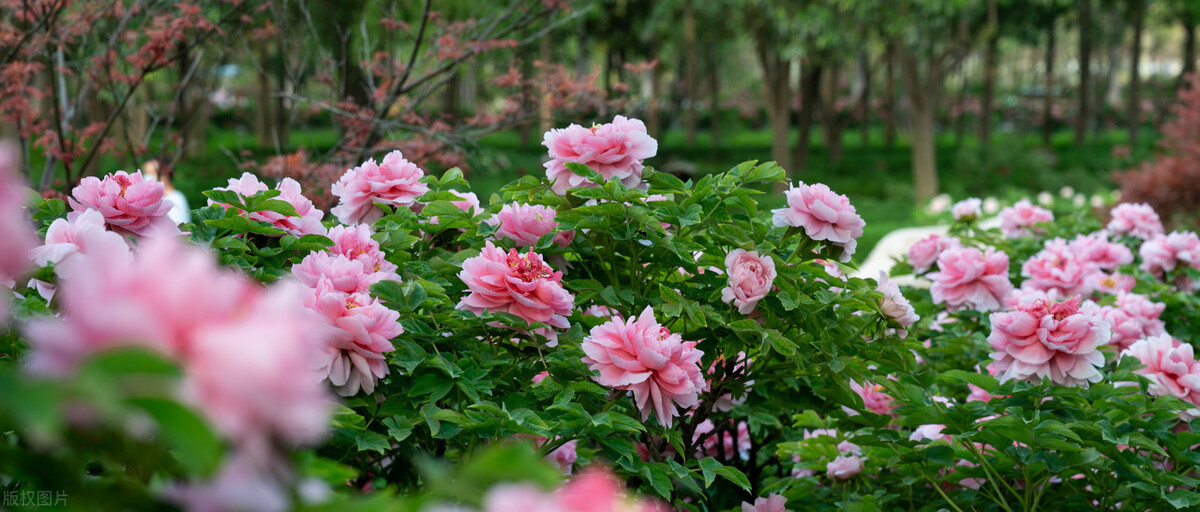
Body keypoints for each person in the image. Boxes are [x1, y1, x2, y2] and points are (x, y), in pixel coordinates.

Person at [141, 160, 191, 225]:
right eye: (146, 173)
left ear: (166, 172)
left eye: (152, 172)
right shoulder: (153, 200)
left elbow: (179, 228)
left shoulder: (176, 197)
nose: (148, 177)